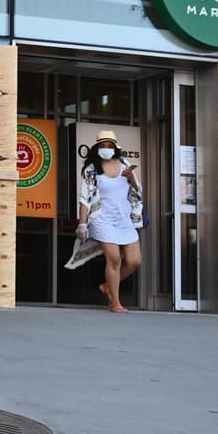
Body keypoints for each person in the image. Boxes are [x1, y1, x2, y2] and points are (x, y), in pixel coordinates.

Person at [75, 129, 143, 313]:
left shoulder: (124, 164)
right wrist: (82, 224)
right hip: (102, 219)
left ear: (115, 147)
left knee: (134, 261)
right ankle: (115, 302)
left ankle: (107, 287)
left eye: (109, 145)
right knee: (114, 259)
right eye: (102, 145)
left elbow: (137, 190)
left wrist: (131, 178)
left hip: (124, 219)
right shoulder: (92, 169)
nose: (106, 148)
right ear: (97, 148)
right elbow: (85, 199)